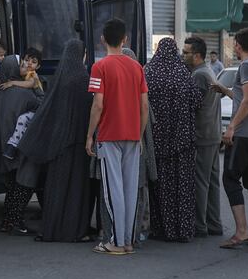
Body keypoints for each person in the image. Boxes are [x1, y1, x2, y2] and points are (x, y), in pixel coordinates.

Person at [18, 39, 93, 242]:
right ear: (81, 55)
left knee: (57, 188)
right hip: (77, 144)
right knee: (77, 190)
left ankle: (52, 229)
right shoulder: (83, 79)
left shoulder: (59, 79)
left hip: (58, 144)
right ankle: (75, 231)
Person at [86, 18, 149, 255]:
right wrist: (140, 134)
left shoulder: (99, 67)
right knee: (130, 189)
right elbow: (144, 106)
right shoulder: (138, 67)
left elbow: (97, 105)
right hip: (133, 136)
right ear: (125, 40)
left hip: (109, 135)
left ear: (102, 40)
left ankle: (116, 242)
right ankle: (128, 241)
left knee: (113, 190)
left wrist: (90, 135)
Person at [211, 28, 248, 249]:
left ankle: (242, 231)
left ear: (238, 45)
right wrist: (224, 89)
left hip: (244, 134)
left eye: (234, 44)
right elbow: (243, 95)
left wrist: (231, 127)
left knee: (230, 178)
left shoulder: (246, 66)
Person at [146, 38, 202, 243]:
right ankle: (183, 230)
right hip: (182, 142)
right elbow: (197, 101)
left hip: (158, 141)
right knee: (183, 186)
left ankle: (161, 229)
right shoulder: (183, 74)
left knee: (160, 186)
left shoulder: (149, 72)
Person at [0, 56, 42, 235]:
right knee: (23, 185)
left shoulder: (1, 89)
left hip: (4, 144)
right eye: (21, 65)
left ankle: (8, 221)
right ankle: (16, 221)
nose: (26, 67)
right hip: (20, 145)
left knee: (13, 185)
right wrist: (35, 85)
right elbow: (43, 104)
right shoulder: (23, 94)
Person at [183, 36, 224, 238]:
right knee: (212, 180)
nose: (182, 56)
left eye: (186, 52)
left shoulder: (199, 75)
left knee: (201, 181)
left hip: (204, 135)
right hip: (213, 134)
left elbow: (194, 105)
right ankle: (214, 223)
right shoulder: (207, 71)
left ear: (197, 55)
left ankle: (200, 225)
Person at [0, 49, 43, 159]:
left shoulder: (33, 75)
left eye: (33, 62)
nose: (29, 63)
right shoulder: (26, 72)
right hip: (33, 109)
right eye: (27, 60)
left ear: (37, 67)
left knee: (23, 120)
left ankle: (12, 146)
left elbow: (30, 84)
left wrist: (12, 82)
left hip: (39, 109)